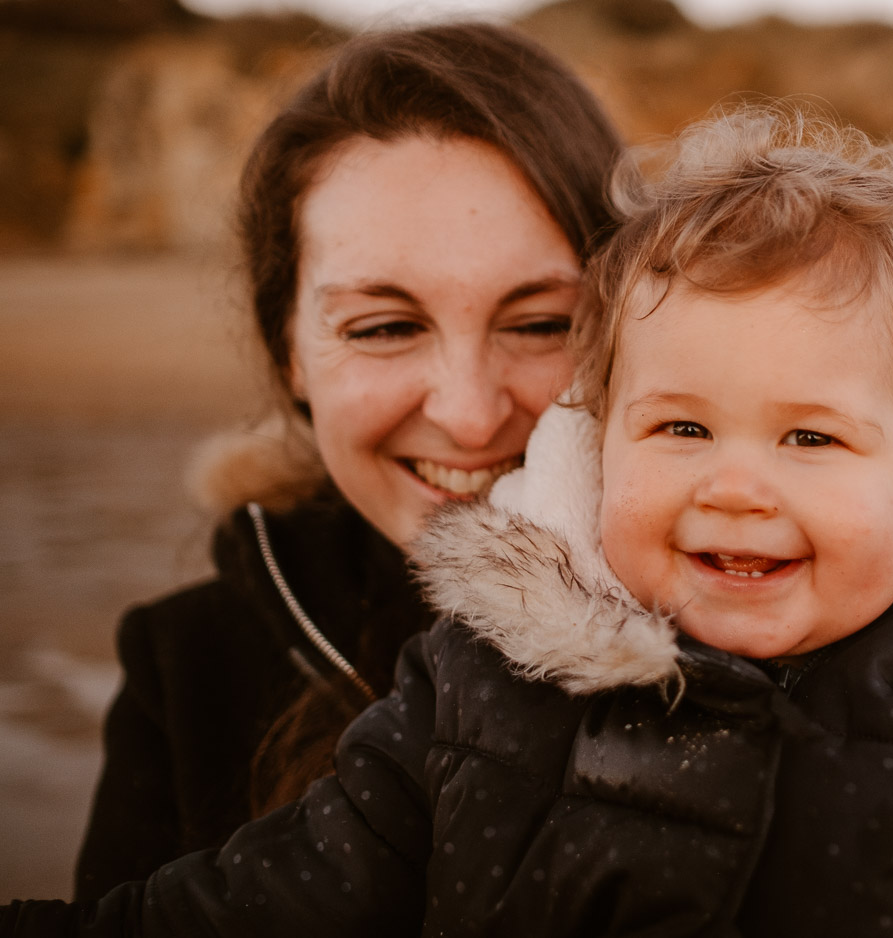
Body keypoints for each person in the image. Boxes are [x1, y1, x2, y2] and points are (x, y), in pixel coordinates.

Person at [12, 106, 893, 935]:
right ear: (593, 444)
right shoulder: (480, 688)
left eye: (814, 437)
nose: (736, 481)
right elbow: (259, 908)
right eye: (680, 426)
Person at [70, 21, 624, 900]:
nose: (470, 412)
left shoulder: (782, 621)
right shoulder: (186, 668)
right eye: (386, 327)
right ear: (287, 351)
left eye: (541, 323)